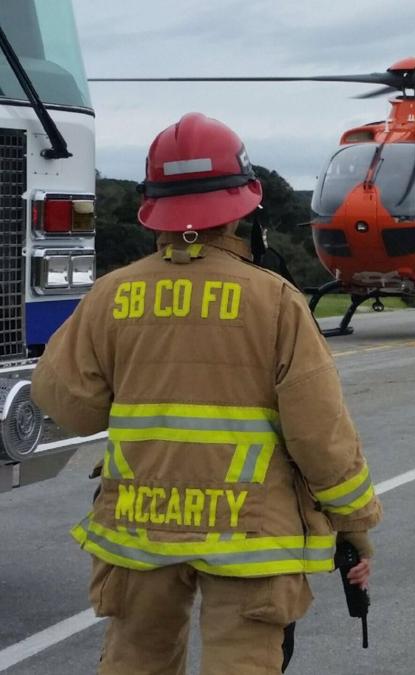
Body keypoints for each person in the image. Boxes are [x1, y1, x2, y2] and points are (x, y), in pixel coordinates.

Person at [31, 113, 382, 675]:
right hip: (251, 533)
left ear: (153, 208)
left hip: (139, 526)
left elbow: (67, 402)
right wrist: (355, 524)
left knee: (135, 660)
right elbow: (321, 437)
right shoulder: (277, 302)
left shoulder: (110, 295)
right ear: (245, 205)